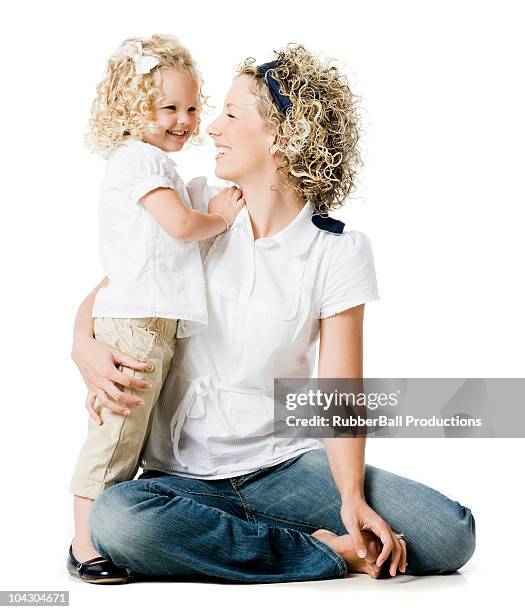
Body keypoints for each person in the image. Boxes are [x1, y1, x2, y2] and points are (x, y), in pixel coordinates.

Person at [68, 44, 476, 584]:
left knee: (449, 533)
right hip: (179, 477)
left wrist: (350, 497)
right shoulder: (198, 212)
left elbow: (340, 388)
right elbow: (116, 288)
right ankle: (322, 553)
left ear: (281, 138)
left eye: (231, 114)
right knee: (119, 522)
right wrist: (82, 343)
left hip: (282, 466)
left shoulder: (337, 250)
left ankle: (259, 541)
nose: (208, 127)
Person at [67, 34, 245, 583]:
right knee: (116, 433)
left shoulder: (154, 164)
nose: (185, 119)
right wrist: (218, 214)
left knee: (133, 431)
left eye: (192, 107)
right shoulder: (138, 160)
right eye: (168, 107)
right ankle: (84, 541)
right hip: (136, 322)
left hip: (151, 320)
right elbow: (181, 226)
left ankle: (120, 525)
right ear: (131, 108)